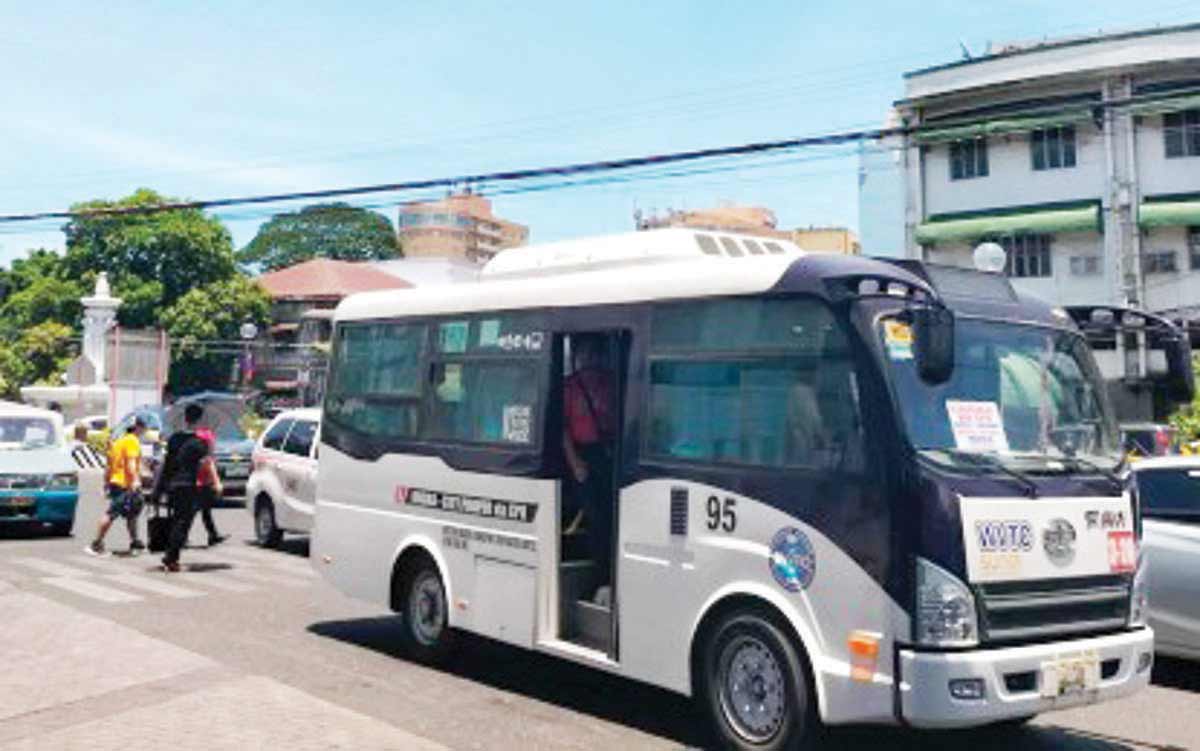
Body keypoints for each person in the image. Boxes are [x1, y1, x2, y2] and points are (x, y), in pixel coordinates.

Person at [563, 335, 616, 585]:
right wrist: (575, 464)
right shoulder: (570, 387)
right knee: (595, 519)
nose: (591, 360)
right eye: (587, 355)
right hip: (582, 456)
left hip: (606, 454)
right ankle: (600, 578)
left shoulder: (610, 384)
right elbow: (561, 430)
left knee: (609, 516)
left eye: (596, 354)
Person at [153, 404, 217, 572]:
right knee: (183, 523)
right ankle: (171, 558)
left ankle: (170, 555)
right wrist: (213, 483)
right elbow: (206, 464)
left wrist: (158, 489)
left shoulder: (174, 438)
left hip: (171, 485)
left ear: (185, 418)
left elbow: (166, 465)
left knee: (176, 520)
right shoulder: (199, 443)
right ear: (200, 420)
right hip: (187, 486)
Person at [86, 418, 147, 556]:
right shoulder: (132, 441)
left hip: (116, 482)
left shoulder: (118, 442)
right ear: (137, 427)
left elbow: (108, 467)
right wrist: (135, 480)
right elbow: (131, 463)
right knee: (111, 514)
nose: (144, 430)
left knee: (132, 513)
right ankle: (96, 543)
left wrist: (106, 484)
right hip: (125, 484)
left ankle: (135, 541)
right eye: (143, 427)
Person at [195, 426, 227, 547]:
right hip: (200, 485)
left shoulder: (199, 452)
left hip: (201, 484)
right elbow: (210, 467)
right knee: (197, 512)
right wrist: (217, 483)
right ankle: (179, 537)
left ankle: (213, 535)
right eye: (211, 442)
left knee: (204, 512)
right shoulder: (205, 455)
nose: (213, 445)